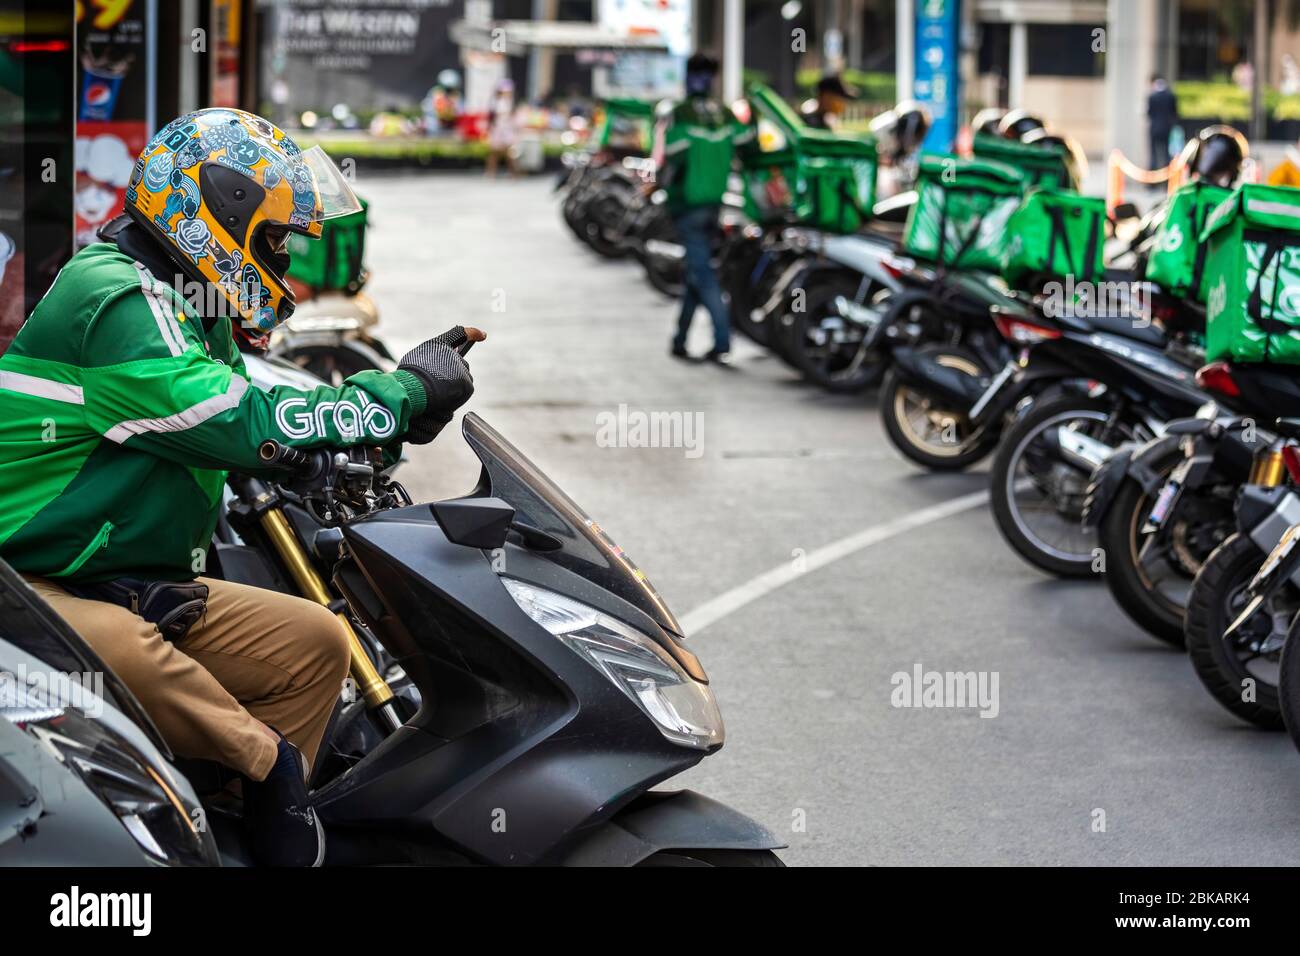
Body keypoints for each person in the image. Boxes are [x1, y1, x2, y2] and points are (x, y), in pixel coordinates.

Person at [0, 108, 478, 866]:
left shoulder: (190, 302)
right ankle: (257, 771)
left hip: (120, 577)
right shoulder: (116, 294)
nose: (283, 257)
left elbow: (251, 396)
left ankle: (219, 830)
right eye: (274, 238)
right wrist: (392, 395)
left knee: (317, 642)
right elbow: (226, 413)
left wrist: (368, 431)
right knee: (130, 654)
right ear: (216, 210)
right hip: (26, 584)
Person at [656, 53, 754, 365]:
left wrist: (663, 188)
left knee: (703, 275)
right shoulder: (724, 114)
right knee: (695, 273)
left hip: (687, 205)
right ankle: (680, 339)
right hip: (714, 204)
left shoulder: (681, 113)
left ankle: (722, 339)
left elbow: (672, 157)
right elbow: (748, 144)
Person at [485, 80, 519, 178]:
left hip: (508, 131)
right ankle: (491, 173)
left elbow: (513, 118)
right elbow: (492, 118)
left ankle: (513, 173)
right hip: (498, 130)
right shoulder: (495, 103)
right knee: (494, 153)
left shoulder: (511, 103)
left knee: (510, 153)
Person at [1147, 75, 1179, 175]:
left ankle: (1152, 183)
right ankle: (1167, 180)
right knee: (1166, 154)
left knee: (1153, 155)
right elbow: (1175, 112)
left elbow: (1149, 113)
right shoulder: (1171, 96)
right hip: (1167, 128)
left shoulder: (1152, 96)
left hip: (1154, 129)